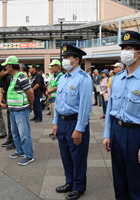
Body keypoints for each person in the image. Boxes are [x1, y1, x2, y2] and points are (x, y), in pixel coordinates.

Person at [103, 31, 140, 200]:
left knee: (136, 179)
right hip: (117, 131)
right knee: (119, 177)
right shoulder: (116, 78)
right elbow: (110, 110)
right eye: (123, 48)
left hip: (136, 133)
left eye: (129, 48)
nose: (125, 52)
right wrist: (108, 133)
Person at [53, 44, 92, 200]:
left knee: (78, 156)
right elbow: (58, 101)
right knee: (66, 155)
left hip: (75, 122)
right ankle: (69, 182)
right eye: (63, 57)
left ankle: (79, 186)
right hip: (62, 122)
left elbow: (85, 106)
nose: (64, 60)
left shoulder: (83, 78)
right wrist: (55, 122)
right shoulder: (62, 78)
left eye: (67, 58)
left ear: (76, 60)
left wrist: (79, 129)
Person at [2, 56, 35, 165]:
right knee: (15, 133)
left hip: (21, 110)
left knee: (24, 134)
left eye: (6, 65)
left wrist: (31, 106)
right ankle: (20, 151)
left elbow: (30, 93)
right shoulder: (13, 77)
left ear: (10, 66)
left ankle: (29, 155)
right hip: (13, 110)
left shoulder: (21, 77)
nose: (5, 68)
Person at [0, 59, 15, 150]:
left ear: (2, 70)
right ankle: (9, 139)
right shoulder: (1, 79)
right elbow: (1, 90)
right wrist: (1, 101)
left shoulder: (10, 78)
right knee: (9, 123)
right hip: (7, 103)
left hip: (13, 104)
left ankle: (14, 141)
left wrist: (7, 103)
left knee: (13, 124)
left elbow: (12, 93)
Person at [46, 60, 63, 140]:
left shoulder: (60, 76)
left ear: (57, 66)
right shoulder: (53, 76)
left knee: (57, 117)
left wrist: (48, 92)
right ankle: (55, 131)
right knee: (53, 117)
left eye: (52, 66)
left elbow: (57, 87)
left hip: (56, 99)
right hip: (51, 99)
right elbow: (49, 84)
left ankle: (58, 133)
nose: (51, 68)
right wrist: (48, 92)